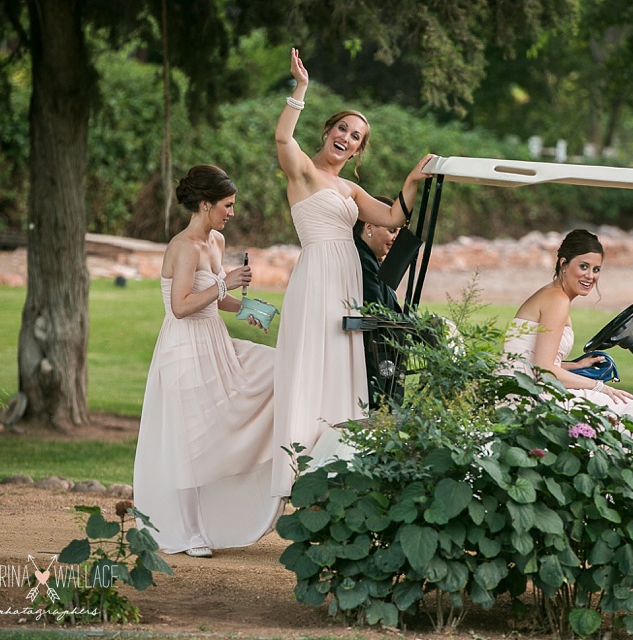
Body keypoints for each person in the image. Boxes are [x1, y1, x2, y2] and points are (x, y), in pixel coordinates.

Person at [273, 47, 434, 496]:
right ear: (327, 132)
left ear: (359, 149)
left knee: (343, 371)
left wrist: (411, 183)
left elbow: (393, 219)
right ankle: (295, 474)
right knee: (312, 367)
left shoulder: (351, 188)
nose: (346, 136)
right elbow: (285, 140)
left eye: (356, 135)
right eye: (342, 128)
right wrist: (300, 90)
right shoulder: (303, 172)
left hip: (346, 285)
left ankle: (336, 475)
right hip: (317, 279)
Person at [133, 164, 283, 558]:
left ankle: (278, 477)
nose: (231, 212)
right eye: (227, 205)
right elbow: (181, 307)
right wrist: (224, 282)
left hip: (216, 340)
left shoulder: (215, 241)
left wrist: (250, 306)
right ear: (205, 204)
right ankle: (193, 532)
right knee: (189, 440)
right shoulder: (182, 247)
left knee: (282, 369)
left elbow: (215, 298)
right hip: (184, 347)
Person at [501, 229, 633, 441]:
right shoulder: (556, 301)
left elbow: (535, 360)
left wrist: (576, 366)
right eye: (583, 266)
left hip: (526, 386)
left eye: (596, 269)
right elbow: (544, 372)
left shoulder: (553, 296)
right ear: (564, 264)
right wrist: (599, 387)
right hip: (529, 396)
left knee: (624, 407)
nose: (590, 276)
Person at [353, 198, 404, 409]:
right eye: (392, 230)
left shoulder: (373, 260)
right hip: (371, 355)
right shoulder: (363, 260)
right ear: (369, 226)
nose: (396, 237)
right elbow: (375, 309)